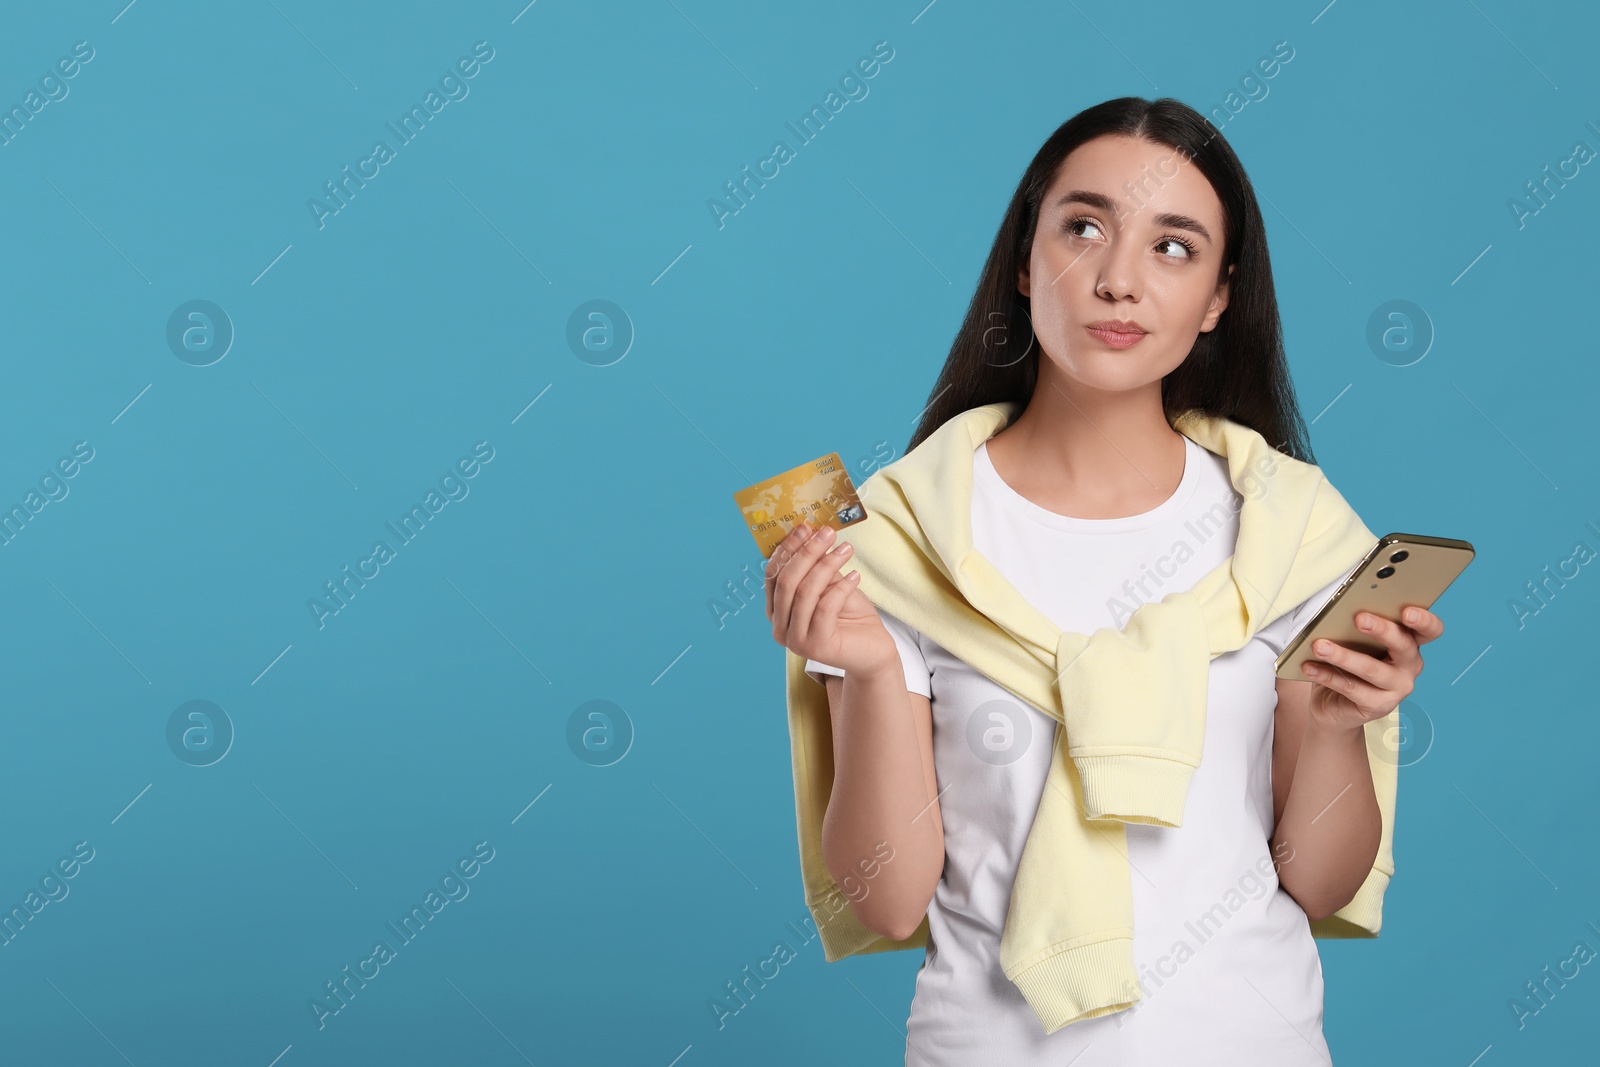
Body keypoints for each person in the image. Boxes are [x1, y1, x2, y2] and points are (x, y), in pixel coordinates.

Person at [764, 96, 1441, 1065]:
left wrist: (1336, 726)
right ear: (1022, 260)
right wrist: (870, 673)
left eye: (1173, 247)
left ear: (1217, 298)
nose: (1119, 280)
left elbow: (1319, 882)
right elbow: (886, 894)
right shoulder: (898, 535)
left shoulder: (1292, 529)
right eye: (1082, 228)